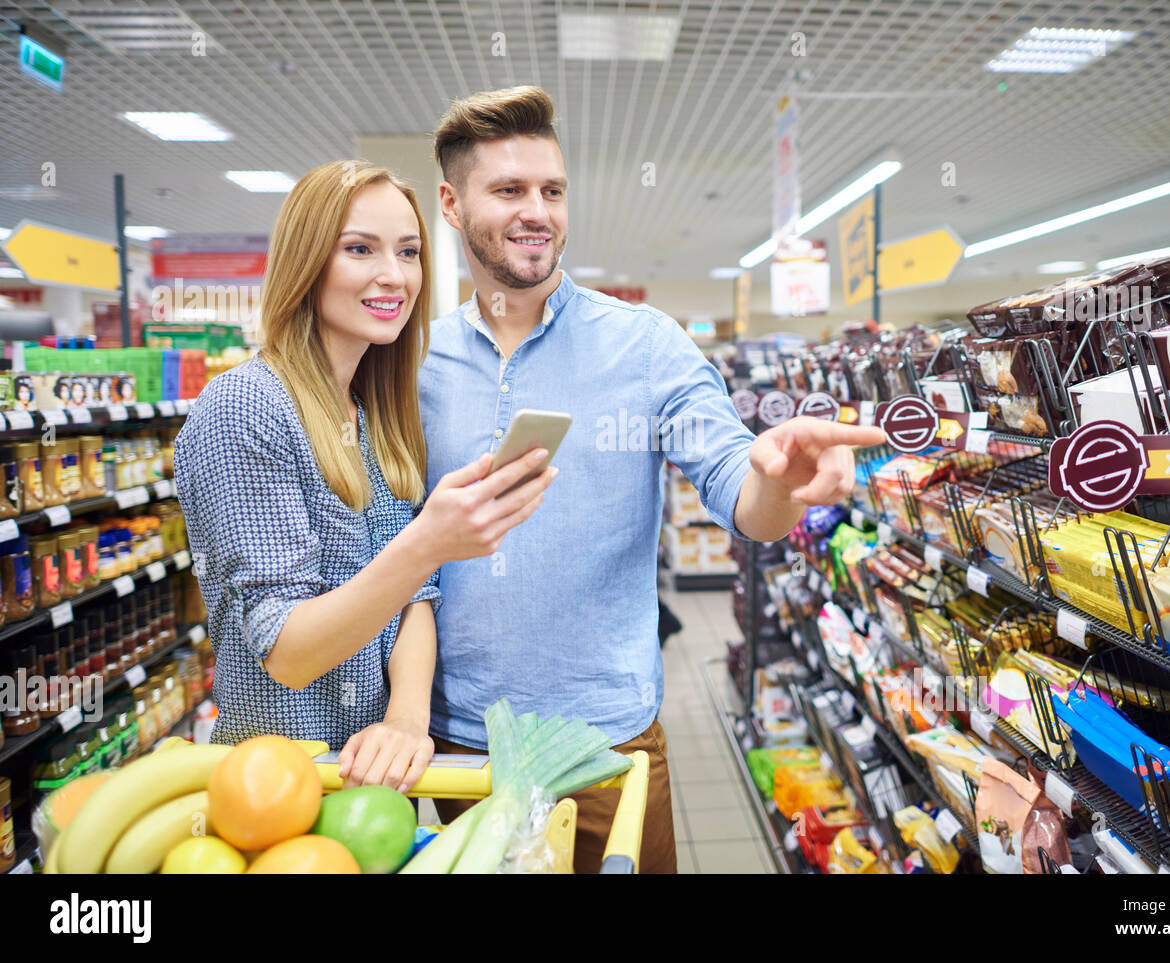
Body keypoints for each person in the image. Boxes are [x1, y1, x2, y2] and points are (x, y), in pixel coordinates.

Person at [420, 87, 885, 872]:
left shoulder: (645, 344)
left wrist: (779, 475)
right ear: (451, 205)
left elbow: (747, 496)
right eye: (508, 190)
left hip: (609, 739)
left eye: (553, 191)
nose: (538, 210)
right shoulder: (414, 362)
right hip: (460, 743)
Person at [175, 160, 555, 792]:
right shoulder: (245, 409)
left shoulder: (374, 412)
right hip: (277, 788)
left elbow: (415, 597)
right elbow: (289, 652)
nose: (394, 275)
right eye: (359, 249)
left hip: (377, 783)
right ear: (307, 263)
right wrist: (428, 541)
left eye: (409, 252)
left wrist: (407, 723)